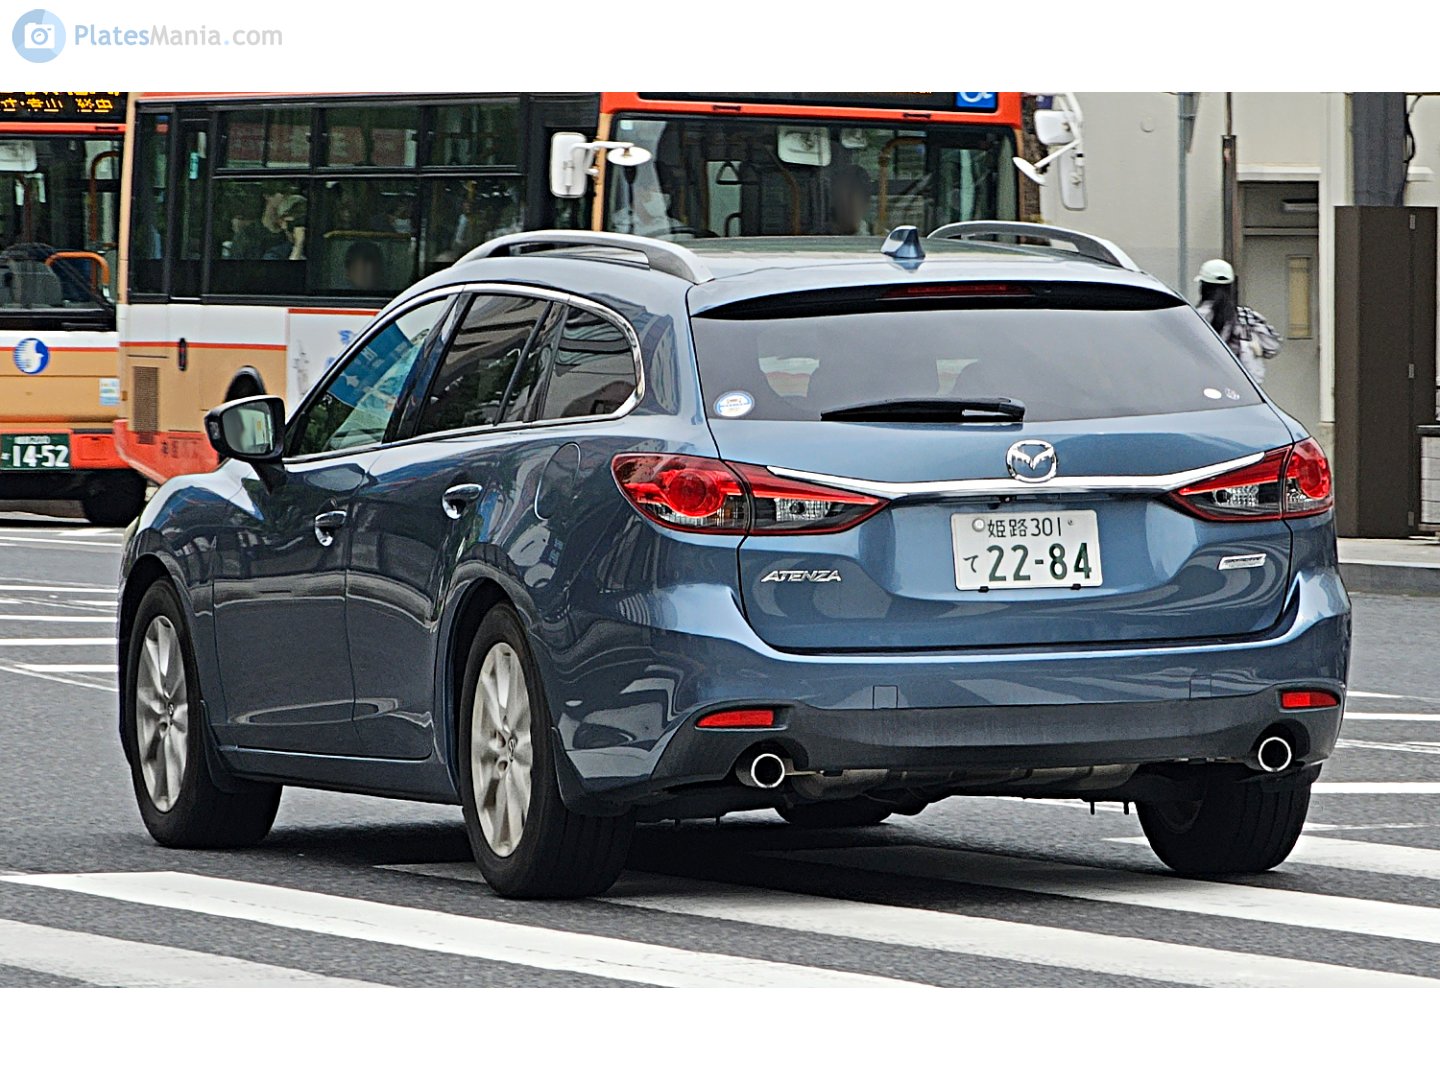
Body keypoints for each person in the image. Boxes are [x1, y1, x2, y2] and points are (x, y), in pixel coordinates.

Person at [1195, 258, 1281, 383]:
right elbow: (1273, 347)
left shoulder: (1194, 317)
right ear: (1231, 287)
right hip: (1243, 389)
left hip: (1205, 384)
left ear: (1203, 287)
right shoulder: (1246, 316)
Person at [821, 164, 874, 236]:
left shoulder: (877, 240)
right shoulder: (820, 237)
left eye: (850, 203)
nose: (845, 207)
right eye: (840, 203)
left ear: (865, 204)